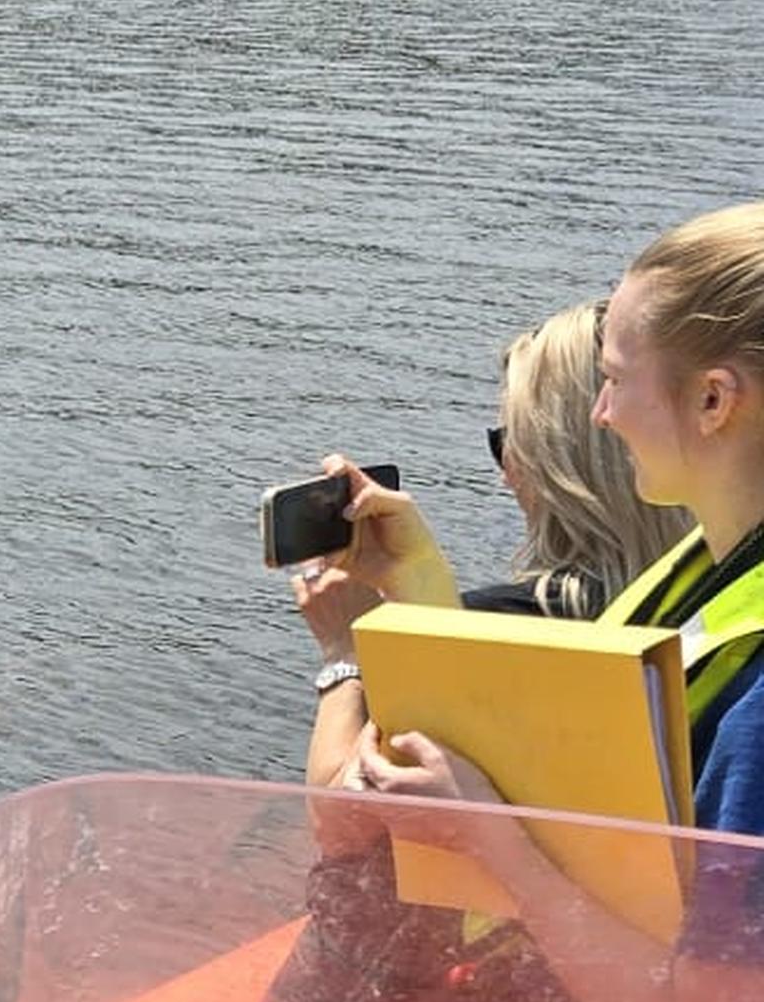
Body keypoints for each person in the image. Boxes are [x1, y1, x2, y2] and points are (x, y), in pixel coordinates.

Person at [337, 202, 764, 1002]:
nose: (602, 414)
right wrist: (419, 588)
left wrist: (494, 845)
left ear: (715, 400)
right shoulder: (712, 569)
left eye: (613, 379)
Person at [291, 297, 693, 785]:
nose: (504, 473)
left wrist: (345, 653)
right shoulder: (709, 600)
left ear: (557, 465)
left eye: (507, 442)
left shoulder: (504, 629)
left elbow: (342, 817)